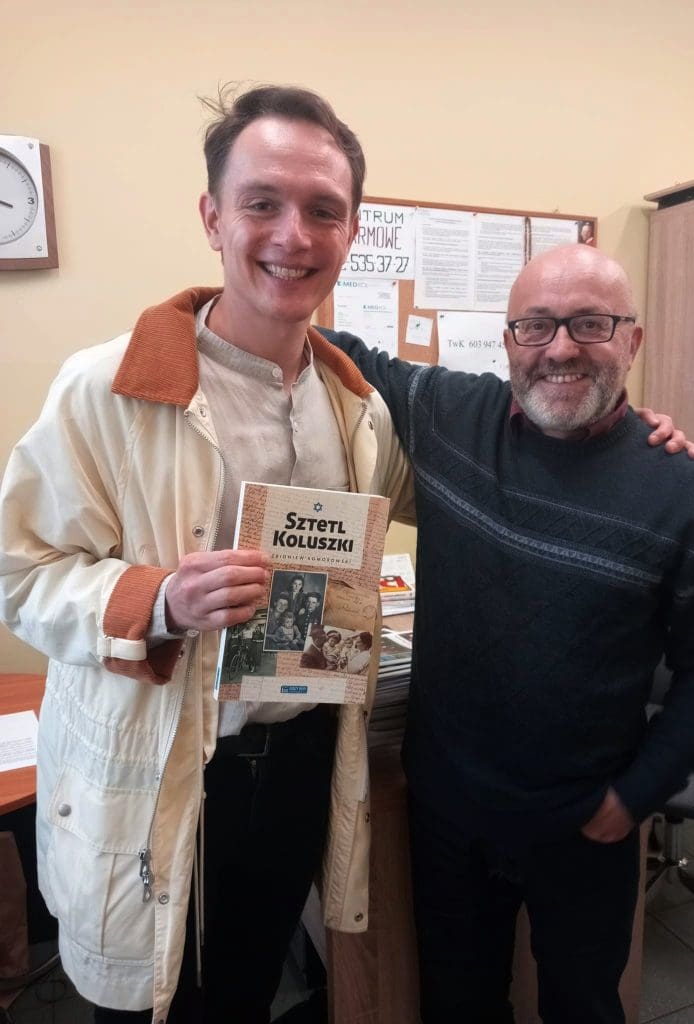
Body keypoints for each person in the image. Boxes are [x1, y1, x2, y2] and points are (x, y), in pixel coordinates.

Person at [0, 85, 415, 1024]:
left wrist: (629, 434)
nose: (292, 235)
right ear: (211, 217)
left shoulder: (359, 409)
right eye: (261, 202)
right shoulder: (105, 387)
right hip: (169, 763)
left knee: (244, 989)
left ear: (351, 230)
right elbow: (19, 573)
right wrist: (158, 599)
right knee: (148, 1002)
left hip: (300, 751)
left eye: (322, 210)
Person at [324, 244, 694, 1024]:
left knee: (583, 1005)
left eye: (588, 323)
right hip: (448, 811)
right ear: (507, 341)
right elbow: (339, 352)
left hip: (584, 822)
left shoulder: (684, 490)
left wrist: (635, 796)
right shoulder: (450, 416)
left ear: (632, 340)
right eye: (534, 326)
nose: (558, 347)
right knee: (458, 1001)